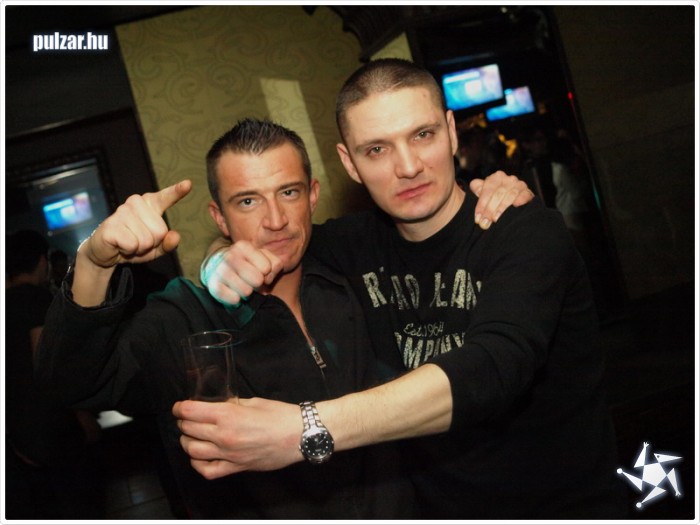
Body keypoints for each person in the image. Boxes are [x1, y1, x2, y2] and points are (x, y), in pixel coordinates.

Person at [176, 58, 628, 519]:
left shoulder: (524, 232)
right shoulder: (353, 245)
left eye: (423, 135)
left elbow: (492, 369)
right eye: (376, 149)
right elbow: (272, 234)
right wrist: (218, 257)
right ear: (350, 163)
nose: (408, 167)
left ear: (451, 132)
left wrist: (304, 428)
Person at [34, 118, 420, 519]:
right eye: (248, 201)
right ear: (220, 218)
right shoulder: (184, 315)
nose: (275, 219)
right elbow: (68, 383)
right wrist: (93, 264)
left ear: (312, 196)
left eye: (288, 192)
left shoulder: (356, 270)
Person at [5, 230, 103, 519]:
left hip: (18, 428)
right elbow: (51, 368)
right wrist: (83, 415)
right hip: (52, 425)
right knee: (79, 504)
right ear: (41, 261)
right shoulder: (39, 300)